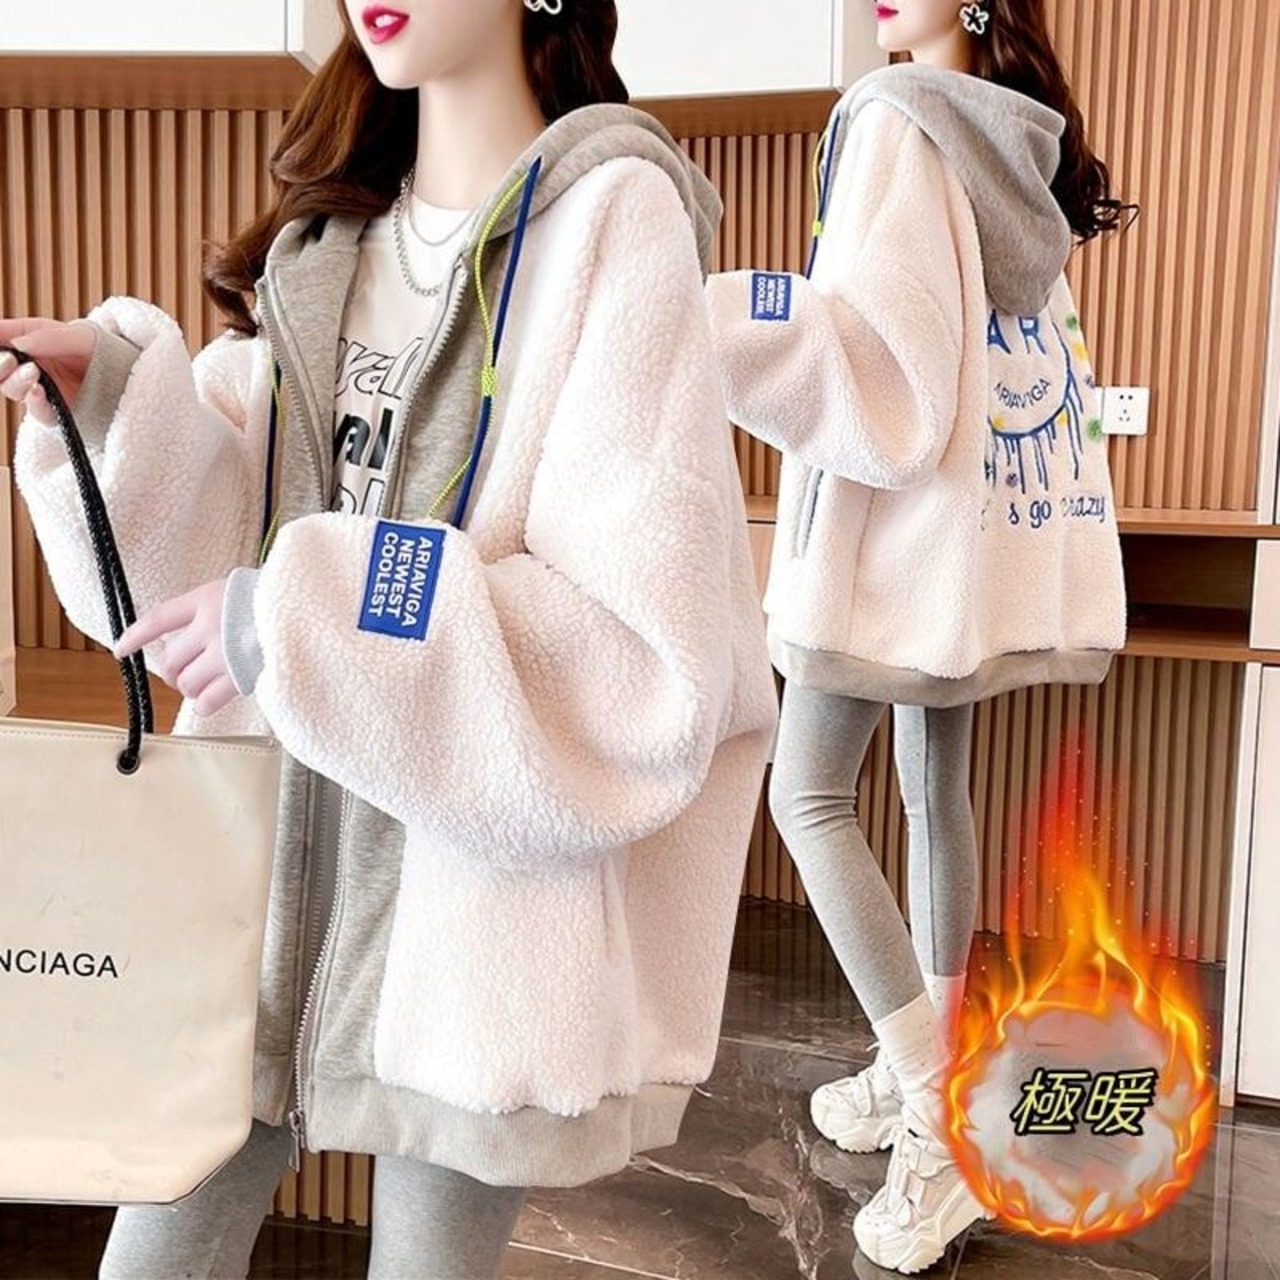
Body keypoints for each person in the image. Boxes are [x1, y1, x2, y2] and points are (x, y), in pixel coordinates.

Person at [1, 1, 778, 1275]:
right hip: (250, 883)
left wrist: (302, 616)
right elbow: (223, 561)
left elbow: (634, 646)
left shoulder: (610, 225)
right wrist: (120, 406)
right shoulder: (326, 243)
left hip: (475, 920)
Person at [703, 0, 1130, 1271]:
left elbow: (872, 364)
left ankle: (938, 1122)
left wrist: (719, 319)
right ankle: (922, 1070)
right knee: (930, 788)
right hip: (964, 541)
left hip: (888, 542)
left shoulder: (893, 120)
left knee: (807, 795)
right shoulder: (1012, 143)